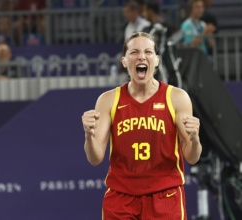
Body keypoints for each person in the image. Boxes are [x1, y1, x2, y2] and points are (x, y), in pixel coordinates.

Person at [82, 32, 202, 219]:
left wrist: (194, 139)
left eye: (148, 51)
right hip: (120, 197)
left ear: (156, 60)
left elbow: (192, 158)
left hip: (165, 195)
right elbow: (95, 158)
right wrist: (88, 136)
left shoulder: (177, 98)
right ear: (124, 61)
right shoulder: (108, 100)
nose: (141, 56)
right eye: (134, 52)